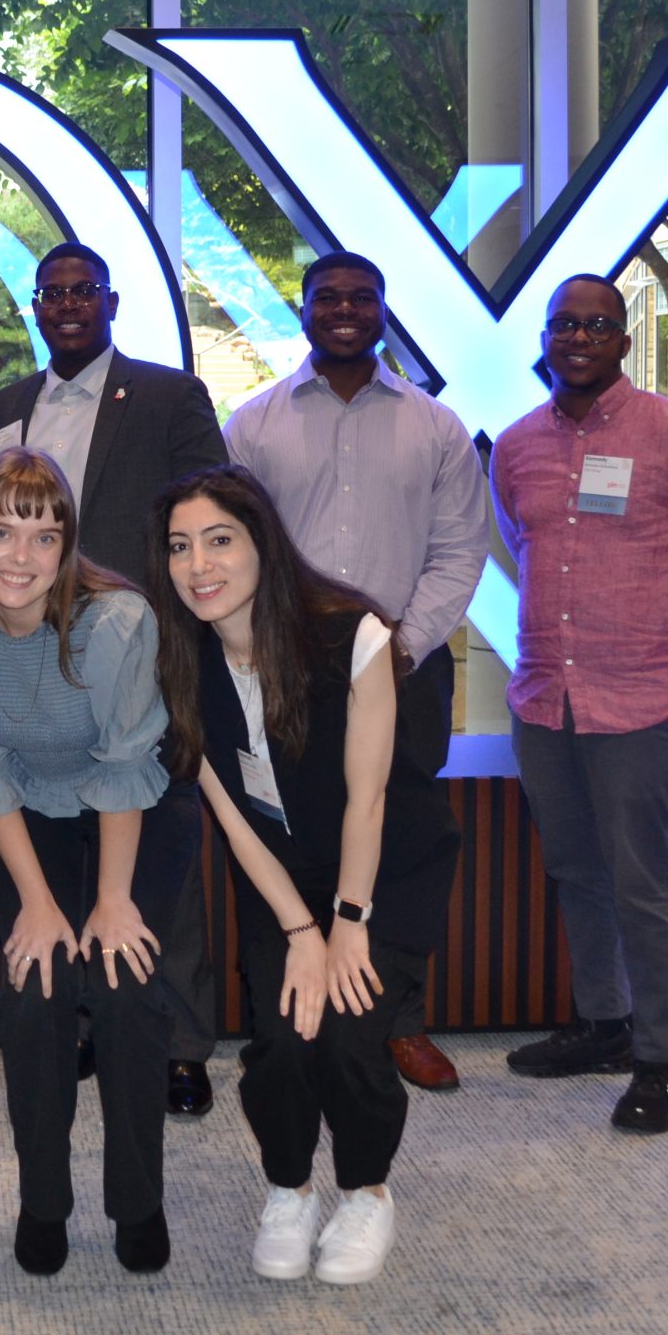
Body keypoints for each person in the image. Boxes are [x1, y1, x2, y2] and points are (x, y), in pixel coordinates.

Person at [146, 466, 459, 1287]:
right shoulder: (180, 658)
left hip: (383, 863)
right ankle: (289, 1188)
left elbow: (369, 798)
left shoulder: (351, 634)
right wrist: (298, 929)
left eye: (219, 540)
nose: (198, 564)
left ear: (263, 544)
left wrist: (346, 923)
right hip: (279, 868)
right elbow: (234, 818)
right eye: (180, 547)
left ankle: (366, 1191)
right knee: (284, 1037)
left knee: (355, 1030)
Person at [491, 275, 668, 1135]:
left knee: (645, 884)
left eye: (598, 324)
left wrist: (663, 614)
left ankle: (657, 1059)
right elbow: (518, 539)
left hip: (645, 697)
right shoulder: (518, 446)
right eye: (565, 323)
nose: (579, 337)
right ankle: (601, 1023)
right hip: (546, 699)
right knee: (576, 871)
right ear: (546, 335)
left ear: (623, 340)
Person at [223, 250, 490, 1094]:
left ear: (382, 311)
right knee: (288, 838)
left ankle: (394, 1019)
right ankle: (289, 1008)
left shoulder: (435, 427)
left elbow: (459, 550)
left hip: (404, 669)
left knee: (409, 842)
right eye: (327, 297)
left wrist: (401, 646)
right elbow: (234, 549)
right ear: (303, 312)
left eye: (361, 298)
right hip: (285, 675)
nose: (344, 309)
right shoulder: (253, 425)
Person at [0, 240, 228, 1117]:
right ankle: (86, 1017)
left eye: (84, 290)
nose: (68, 303)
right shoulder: (8, 407)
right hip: (31, 656)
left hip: (139, 652)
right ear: (35, 307)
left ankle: (181, 1043)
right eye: (52, 293)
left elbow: (208, 504)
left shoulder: (169, 394)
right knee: (63, 835)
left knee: (156, 842)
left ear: (111, 300)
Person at [0, 449, 190, 1277]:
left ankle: (137, 1201)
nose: (21, 556)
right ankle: (44, 1199)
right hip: (27, 809)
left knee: (123, 988)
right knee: (33, 993)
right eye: (1, 531)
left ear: (69, 544)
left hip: (132, 805)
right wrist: (39, 904)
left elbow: (122, 764)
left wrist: (110, 900)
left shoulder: (117, 621)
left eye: (45, 537)